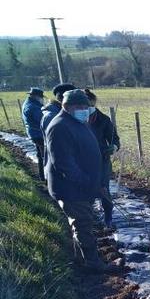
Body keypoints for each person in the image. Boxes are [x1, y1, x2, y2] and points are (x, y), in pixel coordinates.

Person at [45, 89, 116, 274]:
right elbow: (64, 165)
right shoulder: (59, 127)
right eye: (80, 106)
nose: (85, 109)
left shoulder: (77, 122)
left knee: (82, 222)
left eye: (86, 106)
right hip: (71, 188)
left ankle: (80, 258)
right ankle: (93, 264)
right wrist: (90, 183)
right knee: (83, 223)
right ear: (67, 106)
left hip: (83, 185)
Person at [84, 89, 120, 229]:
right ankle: (88, 219)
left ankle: (108, 219)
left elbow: (115, 139)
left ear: (93, 104)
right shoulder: (74, 120)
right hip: (82, 162)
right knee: (85, 190)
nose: (85, 109)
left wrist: (114, 147)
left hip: (102, 161)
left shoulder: (104, 120)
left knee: (104, 190)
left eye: (88, 106)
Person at [21, 87, 45, 179]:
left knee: (40, 155)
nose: (41, 99)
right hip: (38, 134)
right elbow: (42, 120)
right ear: (36, 96)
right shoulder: (33, 107)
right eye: (40, 97)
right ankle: (45, 176)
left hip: (34, 133)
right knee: (44, 155)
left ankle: (42, 176)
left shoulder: (29, 104)